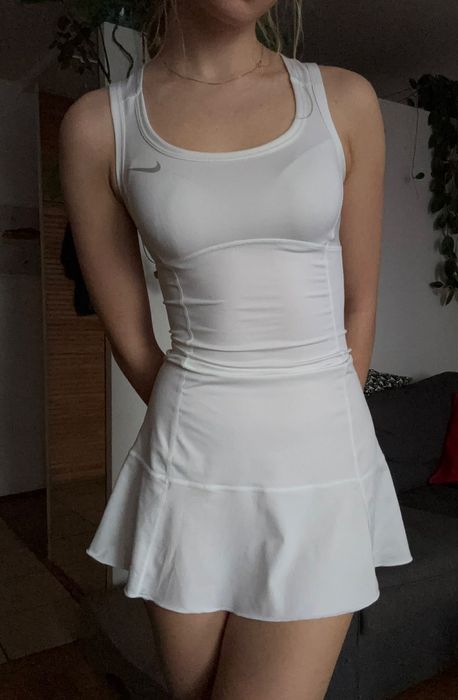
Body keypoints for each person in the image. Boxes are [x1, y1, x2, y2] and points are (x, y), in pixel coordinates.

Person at [59, 1, 413, 698]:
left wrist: (326, 438)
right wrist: (201, 415)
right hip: (189, 470)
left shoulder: (342, 100)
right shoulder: (100, 125)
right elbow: (132, 337)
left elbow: (360, 303)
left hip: (317, 465)